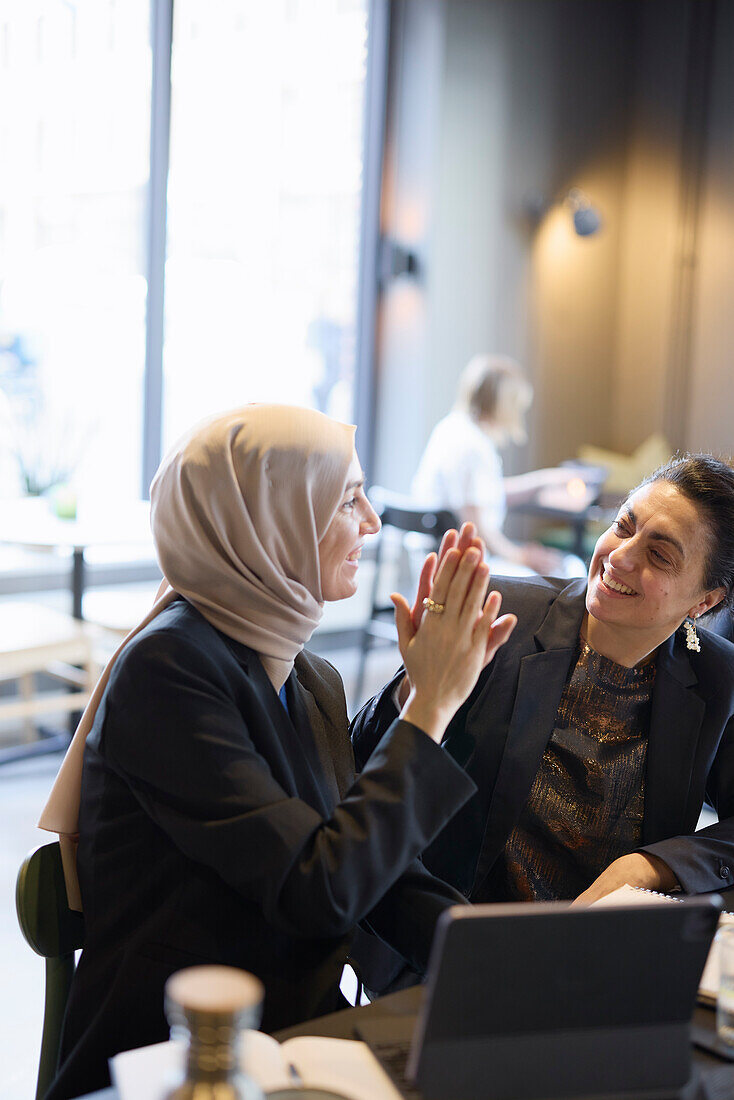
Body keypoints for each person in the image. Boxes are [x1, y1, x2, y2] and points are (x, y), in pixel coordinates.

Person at [39, 404, 516, 1100]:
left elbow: (369, 867)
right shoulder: (167, 668)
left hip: (296, 1039)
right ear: (272, 516)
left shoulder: (308, 674)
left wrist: (500, 960)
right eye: (348, 498)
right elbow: (317, 888)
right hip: (180, 1059)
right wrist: (432, 705)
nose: (373, 523)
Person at [353, 453, 734, 984]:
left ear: (705, 600)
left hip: (597, 967)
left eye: (660, 555)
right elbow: (358, 765)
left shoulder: (717, 679)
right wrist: (416, 694)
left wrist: (652, 866)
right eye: (623, 525)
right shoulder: (503, 615)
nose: (619, 557)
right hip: (444, 953)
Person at [412, 353, 584, 577]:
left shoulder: (450, 429)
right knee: (571, 570)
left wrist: (543, 481)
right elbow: (475, 529)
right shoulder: (474, 447)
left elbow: (480, 493)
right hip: (463, 567)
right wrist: (523, 556)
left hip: (433, 560)